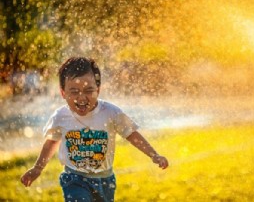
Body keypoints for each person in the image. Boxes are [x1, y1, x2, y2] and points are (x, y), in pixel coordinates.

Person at [20, 57, 169, 202]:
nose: (82, 97)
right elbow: (52, 142)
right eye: (74, 91)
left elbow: (131, 134)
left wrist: (153, 155)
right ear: (63, 93)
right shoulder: (61, 116)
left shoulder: (111, 113)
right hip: (74, 178)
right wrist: (38, 168)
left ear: (98, 89)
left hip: (105, 180)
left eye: (88, 90)